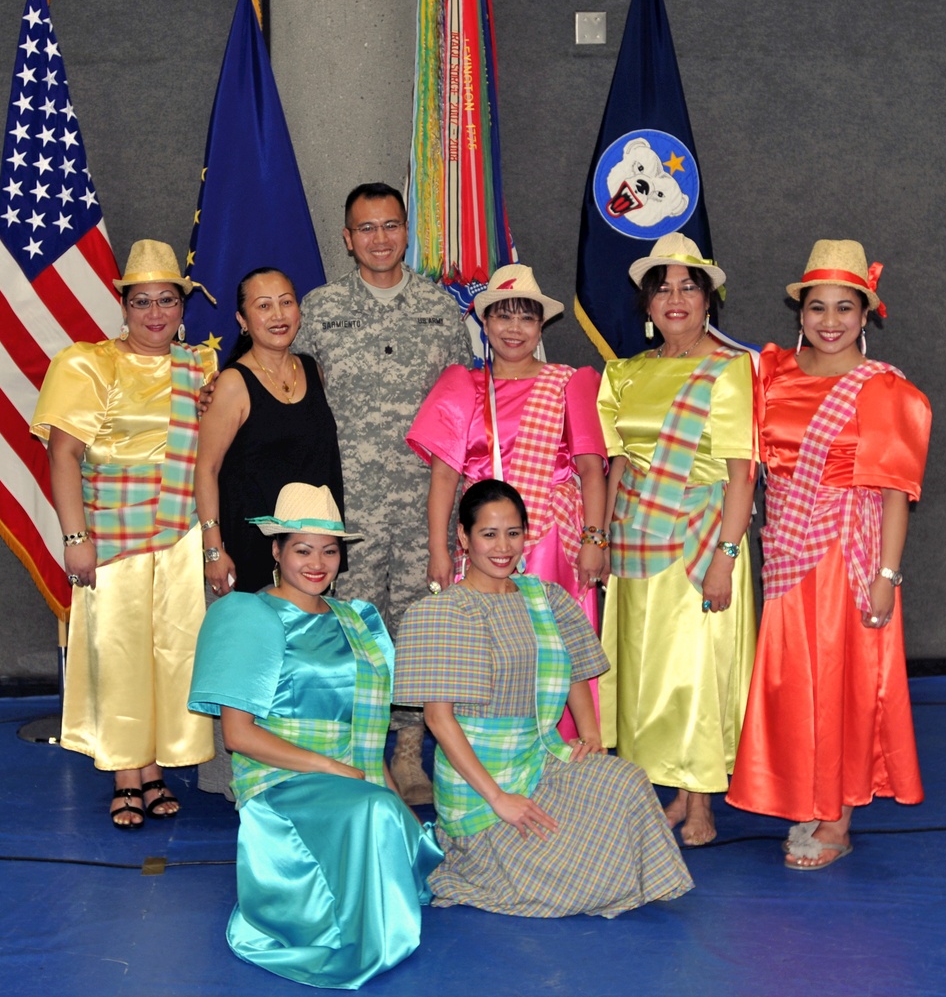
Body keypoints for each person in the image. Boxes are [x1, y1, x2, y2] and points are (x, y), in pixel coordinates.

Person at [393, 480, 692, 917]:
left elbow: (572, 666)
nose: (503, 547)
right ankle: (473, 861)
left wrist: (590, 734)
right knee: (574, 885)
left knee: (626, 781)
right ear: (463, 536)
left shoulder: (544, 596)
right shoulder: (441, 611)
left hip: (541, 760)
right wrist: (499, 799)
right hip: (480, 790)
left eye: (513, 533)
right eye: (488, 534)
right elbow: (439, 721)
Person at [726, 240, 932, 870]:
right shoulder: (772, 374)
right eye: (818, 307)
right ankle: (806, 797)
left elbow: (896, 492)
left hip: (850, 552)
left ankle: (837, 815)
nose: (831, 320)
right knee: (793, 681)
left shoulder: (884, 389)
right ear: (800, 313)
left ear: (865, 314)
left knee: (841, 682)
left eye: (846, 307)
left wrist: (886, 576)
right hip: (787, 549)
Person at [188, 483, 443, 988]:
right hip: (281, 781)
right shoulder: (248, 614)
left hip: (354, 777)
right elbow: (239, 736)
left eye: (330, 551)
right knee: (370, 812)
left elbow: (367, 734)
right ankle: (354, 945)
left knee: (391, 817)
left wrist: (393, 797)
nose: (318, 563)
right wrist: (334, 769)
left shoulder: (358, 620)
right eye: (302, 549)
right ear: (277, 550)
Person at [293, 181, 472, 805]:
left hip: (428, 503)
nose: (379, 238)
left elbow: (464, 402)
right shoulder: (318, 309)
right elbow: (284, 387)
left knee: (420, 628)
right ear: (347, 239)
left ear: (407, 233)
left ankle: (407, 751)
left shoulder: (439, 309)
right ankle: (362, 750)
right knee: (355, 628)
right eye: (365, 228)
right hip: (348, 509)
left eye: (390, 225)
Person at [30, 239, 217, 828]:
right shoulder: (87, 362)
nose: (155, 313)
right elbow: (64, 454)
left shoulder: (200, 366)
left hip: (182, 535)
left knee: (172, 656)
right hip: (110, 534)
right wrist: (73, 536)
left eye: (167, 300)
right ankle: (125, 775)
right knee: (119, 657)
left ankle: (157, 767)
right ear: (124, 306)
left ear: (182, 307)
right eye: (142, 302)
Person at [597, 232, 757, 847]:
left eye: (689, 287)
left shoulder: (729, 371)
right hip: (636, 538)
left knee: (695, 671)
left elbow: (742, 474)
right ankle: (658, 789)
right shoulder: (623, 373)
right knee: (642, 670)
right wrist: (603, 539)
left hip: (703, 535)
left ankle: (699, 800)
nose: (676, 298)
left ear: (709, 299)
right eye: (662, 288)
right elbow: (617, 466)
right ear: (646, 304)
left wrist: (727, 555)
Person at [407, 263, 608, 739]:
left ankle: (564, 756)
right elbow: (445, 475)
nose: (514, 329)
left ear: (541, 326)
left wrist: (594, 538)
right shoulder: (463, 385)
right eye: (503, 316)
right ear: (484, 322)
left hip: (549, 543)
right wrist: (439, 549)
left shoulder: (569, 382)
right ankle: (489, 755)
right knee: (485, 648)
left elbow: (591, 470)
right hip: (482, 542)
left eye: (526, 318)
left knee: (552, 649)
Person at [195, 266, 344, 598]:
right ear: (242, 320)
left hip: (313, 550)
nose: (278, 315)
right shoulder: (232, 383)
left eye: (286, 302)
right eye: (264, 306)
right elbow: (207, 469)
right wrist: (213, 550)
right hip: (253, 552)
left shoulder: (312, 370)